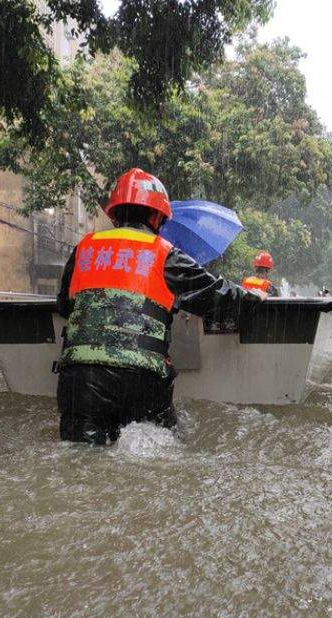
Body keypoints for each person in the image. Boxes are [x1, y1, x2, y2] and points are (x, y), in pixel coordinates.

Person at [56, 167, 262, 444]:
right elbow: (217, 296)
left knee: (80, 460)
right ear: (156, 216)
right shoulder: (165, 254)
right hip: (142, 379)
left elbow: (64, 307)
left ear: (115, 213)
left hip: (80, 381)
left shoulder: (83, 248)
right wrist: (254, 298)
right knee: (162, 452)